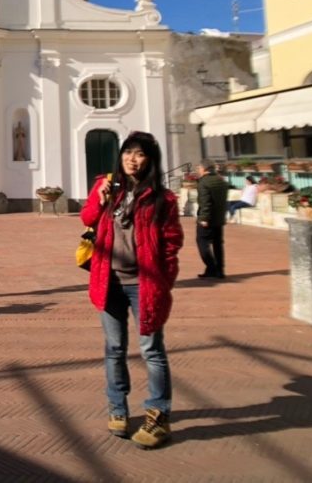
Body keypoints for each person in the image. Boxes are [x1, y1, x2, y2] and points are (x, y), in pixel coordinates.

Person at [81, 131, 183, 449]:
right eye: (128, 152)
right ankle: (117, 409)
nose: (132, 159)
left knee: (152, 349)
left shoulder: (162, 199)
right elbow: (86, 218)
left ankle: (158, 415)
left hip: (143, 284)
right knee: (114, 349)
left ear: (150, 160)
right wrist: (98, 204)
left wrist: (162, 279)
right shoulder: (106, 187)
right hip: (108, 280)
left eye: (139, 154)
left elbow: (172, 241)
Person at [196, 159, 229, 279]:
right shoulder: (221, 181)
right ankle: (219, 270)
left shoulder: (204, 182)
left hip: (208, 219)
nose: (198, 170)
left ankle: (212, 266)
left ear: (204, 169)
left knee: (202, 243)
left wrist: (204, 218)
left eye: (199, 168)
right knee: (217, 245)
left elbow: (206, 202)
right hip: (219, 218)